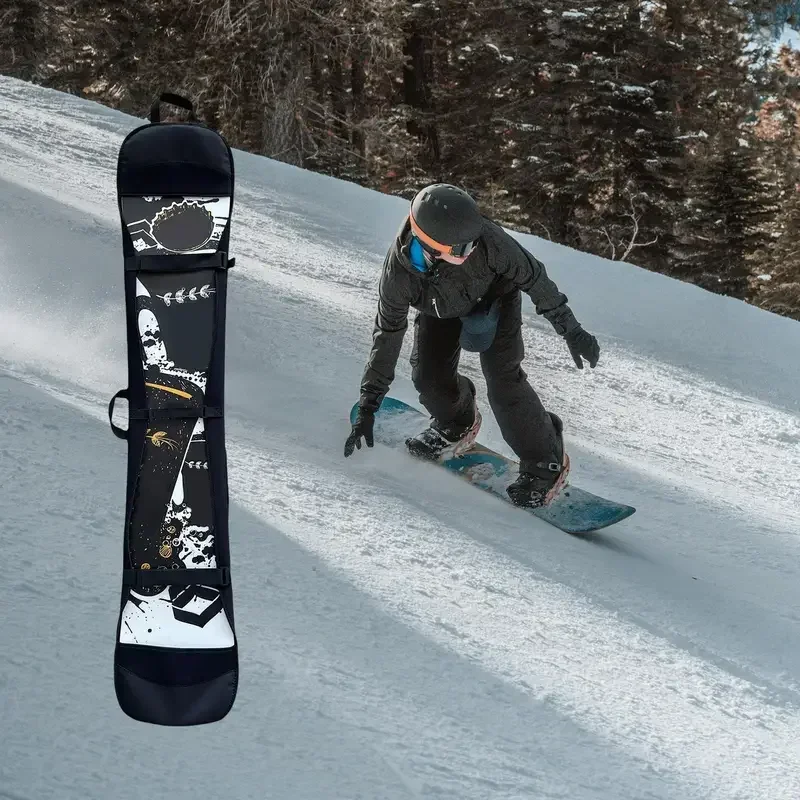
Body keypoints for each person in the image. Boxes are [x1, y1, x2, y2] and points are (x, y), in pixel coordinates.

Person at [344, 183, 600, 508]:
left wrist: (571, 330)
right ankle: (457, 422)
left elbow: (534, 277)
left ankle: (545, 460)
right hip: (439, 308)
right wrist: (369, 403)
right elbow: (388, 332)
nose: (471, 250)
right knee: (428, 379)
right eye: (461, 248)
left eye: (472, 242)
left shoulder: (489, 241)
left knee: (504, 383)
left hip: (495, 300)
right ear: (430, 247)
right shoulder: (399, 275)